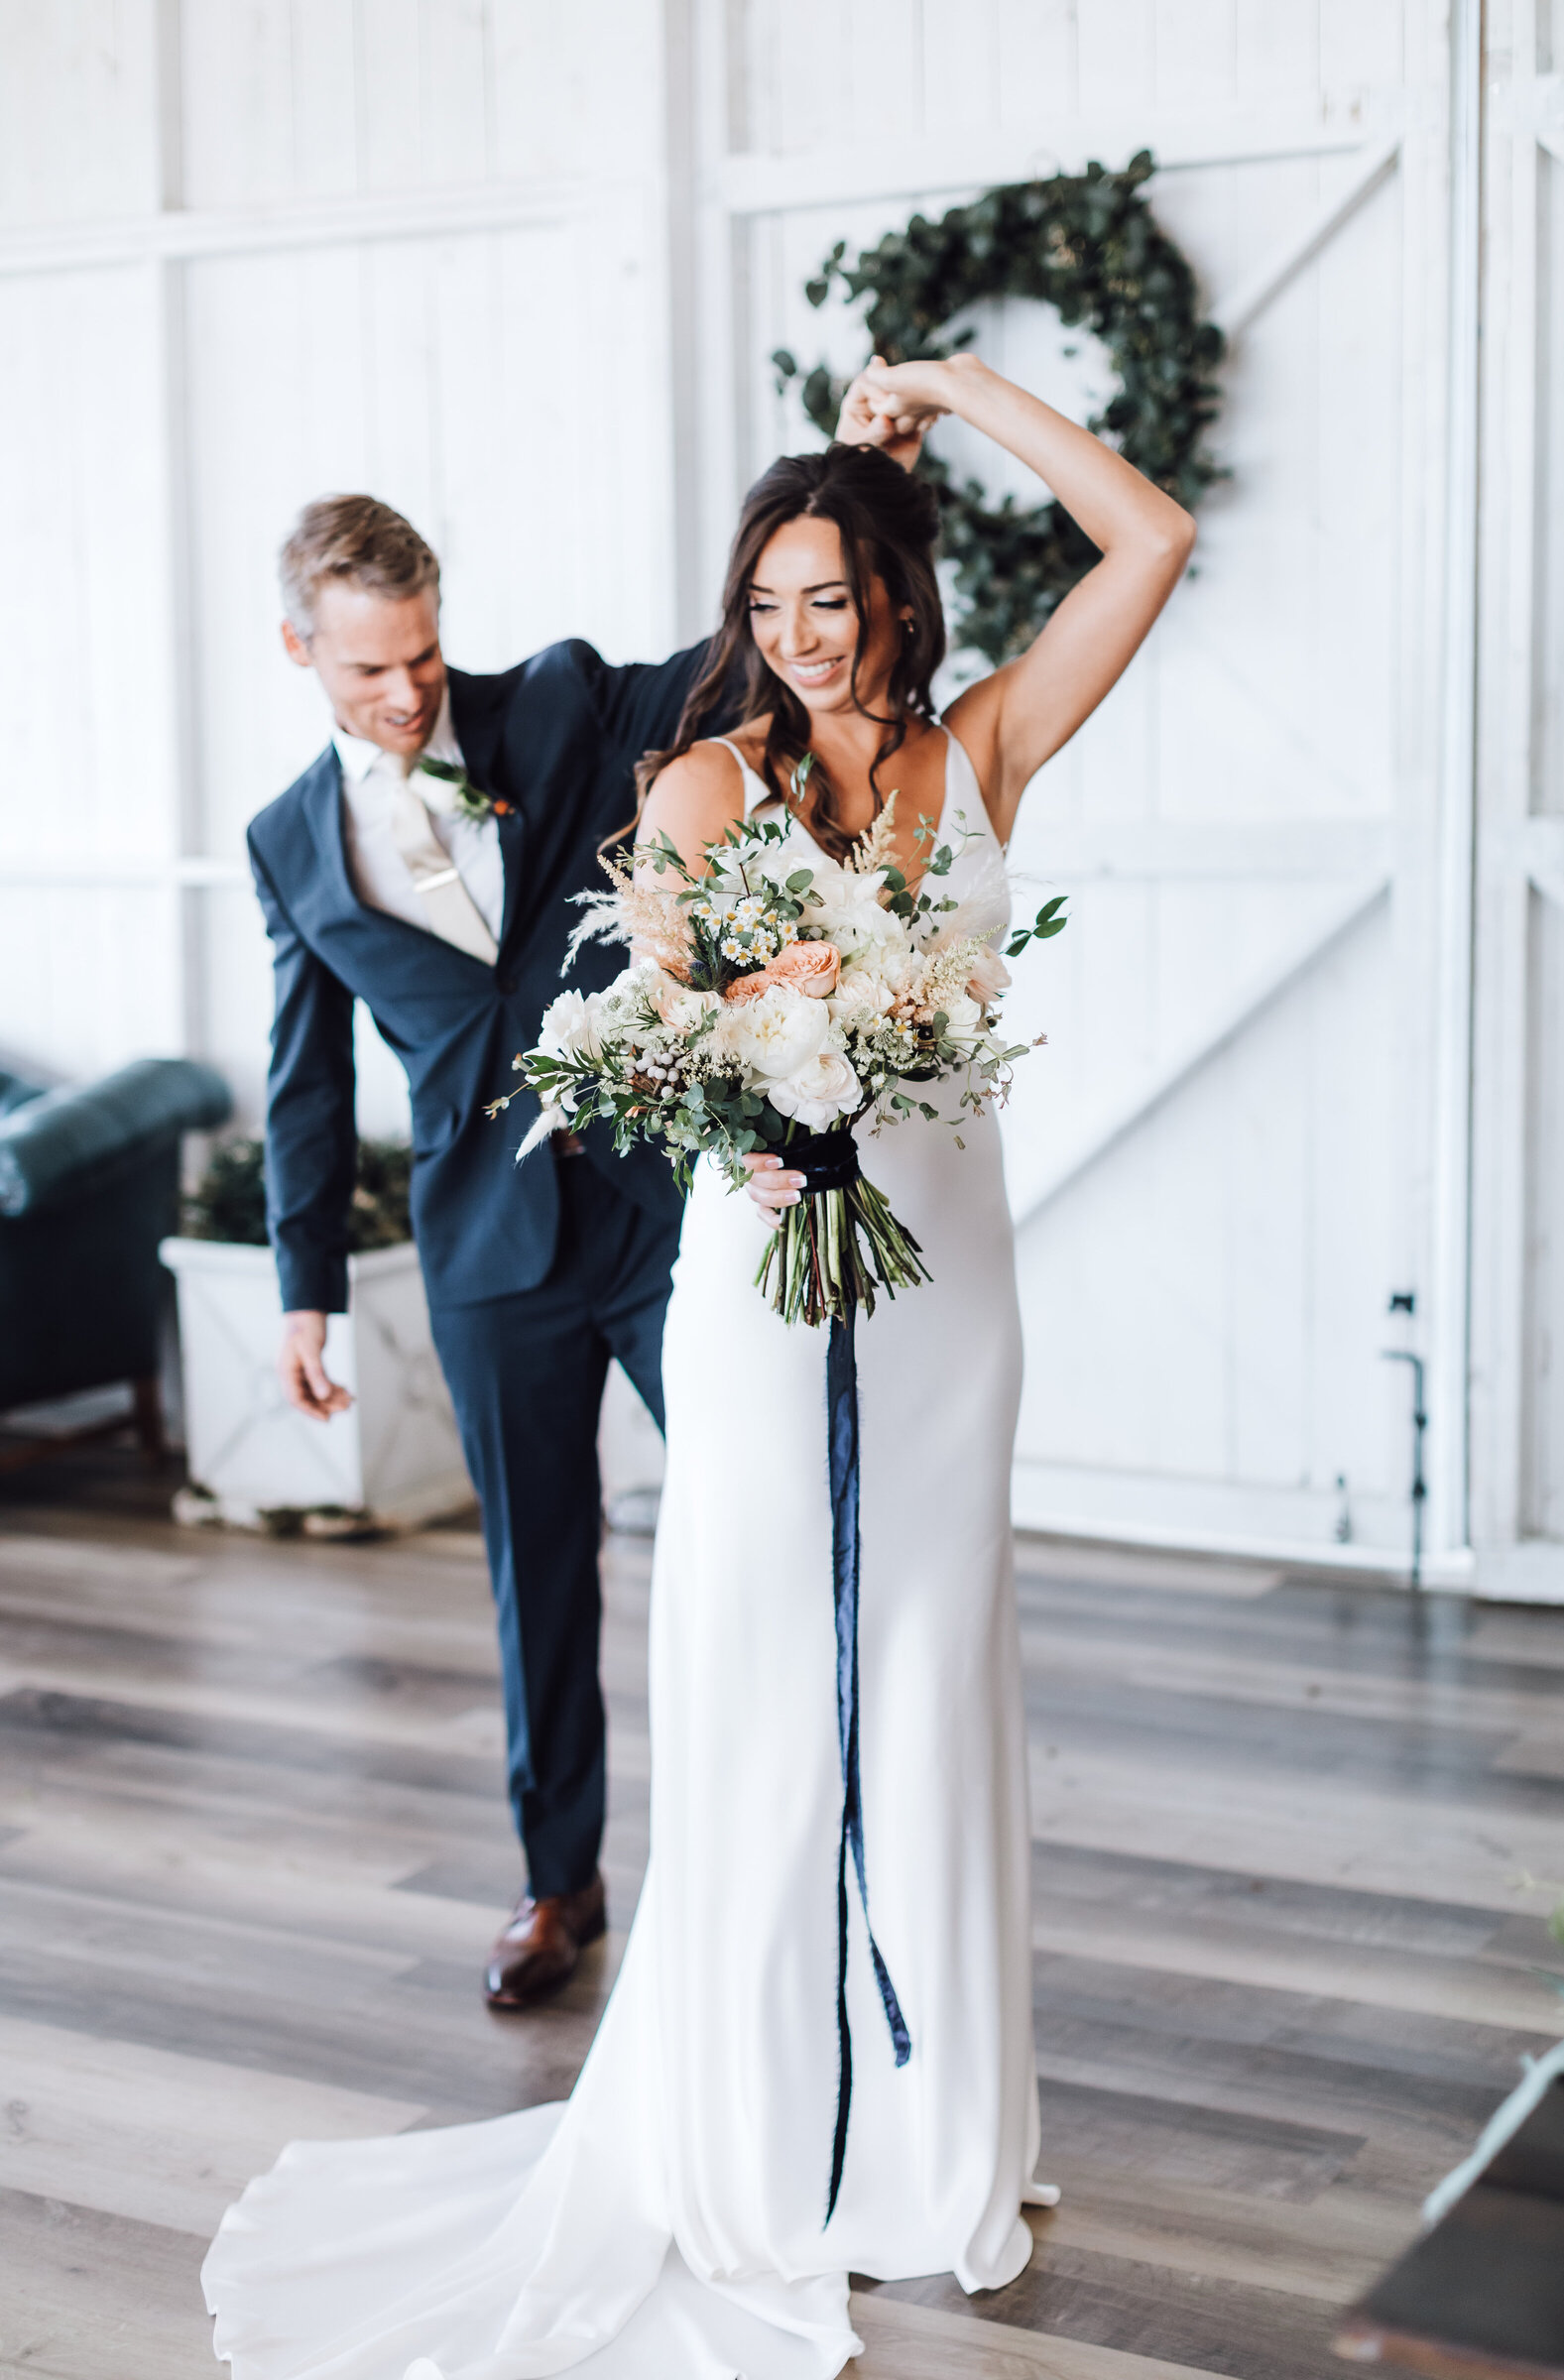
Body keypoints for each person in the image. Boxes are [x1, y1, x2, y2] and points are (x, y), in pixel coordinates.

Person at [203, 354, 1194, 2377]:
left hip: (947, 1302)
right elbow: (649, 1021)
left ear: (900, 598)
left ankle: (926, 2131)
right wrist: (742, 1063)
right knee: (744, 1670)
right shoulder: (701, 783)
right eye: (765, 605)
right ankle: (743, 2115)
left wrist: (944, 390)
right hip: (746, 1293)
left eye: (827, 600)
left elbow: (1151, 538)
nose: (793, 639)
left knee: (927, 1680)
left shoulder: (982, 752)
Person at [247, 419, 870, 2009]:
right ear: (301, 653)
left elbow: (745, 653)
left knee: (760, 1521)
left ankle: (800, 1846)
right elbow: (306, 1079)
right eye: (370, 672)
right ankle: (557, 1885)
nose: (407, 696)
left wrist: (844, 469)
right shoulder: (285, 847)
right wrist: (304, 1287)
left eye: (425, 656)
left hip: (665, 1215)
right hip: (483, 1248)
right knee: (541, 1571)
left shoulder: (568, 701)